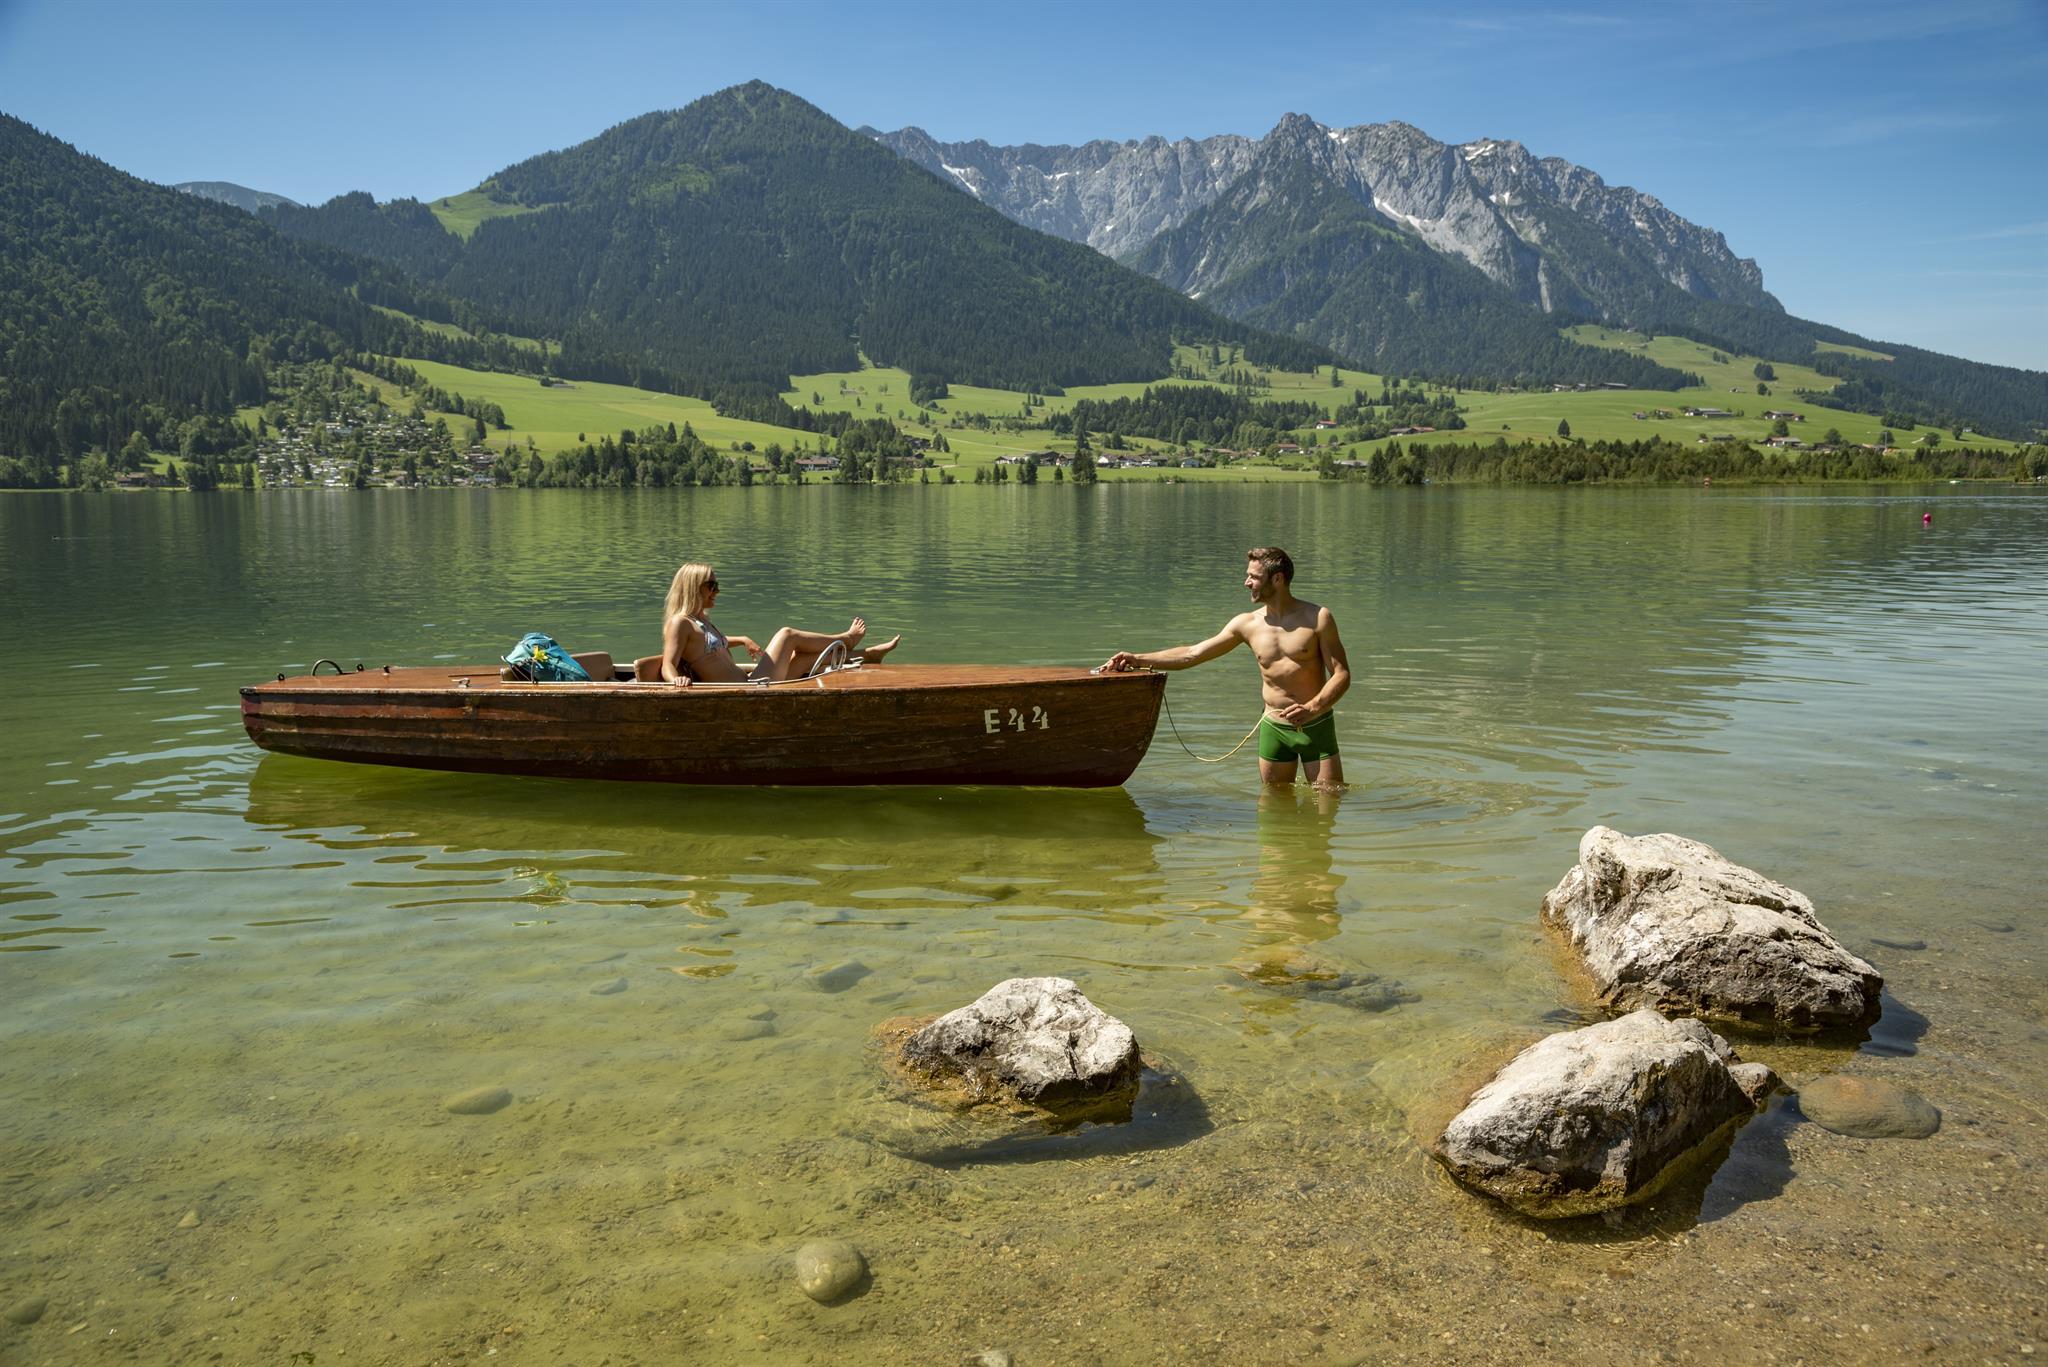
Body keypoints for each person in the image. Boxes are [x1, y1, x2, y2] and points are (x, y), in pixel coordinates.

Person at [1102, 547, 1350, 787]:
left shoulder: (1317, 618)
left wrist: (1312, 708)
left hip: (1315, 724)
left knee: (1328, 800)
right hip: (1274, 726)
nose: (1247, 582)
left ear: (1277, 579)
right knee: (1275, 805)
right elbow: (1192, 654)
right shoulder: (1247, 624)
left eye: (1254, 577)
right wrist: (1137, 659)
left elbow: (1341, 674)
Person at [661, 562, 899, 685]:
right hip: (751, 688)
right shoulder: (680, 623)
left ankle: (869, 655)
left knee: (804, 658)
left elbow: (706, 646)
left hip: (752, 681)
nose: (717, 591)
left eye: (717, 585)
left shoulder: (700, 620)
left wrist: (742, 640)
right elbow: (668, 664)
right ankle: (846, 639)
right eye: (711, 586)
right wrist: (675, 680)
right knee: (787, 635)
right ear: (693, 588)